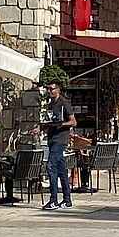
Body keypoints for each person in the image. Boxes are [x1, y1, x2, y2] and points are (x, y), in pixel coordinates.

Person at [40, 81, 76, 210]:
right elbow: (50, 121)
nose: (49, 91)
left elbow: (73, 121)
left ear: (58, 90)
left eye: (52, 89)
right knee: (61, 171)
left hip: (60, 140)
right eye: (48, 89)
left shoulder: (64, 103)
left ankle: (53, 200)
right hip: (52, 139)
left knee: (50, 167)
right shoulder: (50, 105)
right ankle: (67, 200)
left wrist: (62, 124)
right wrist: (41, 128)